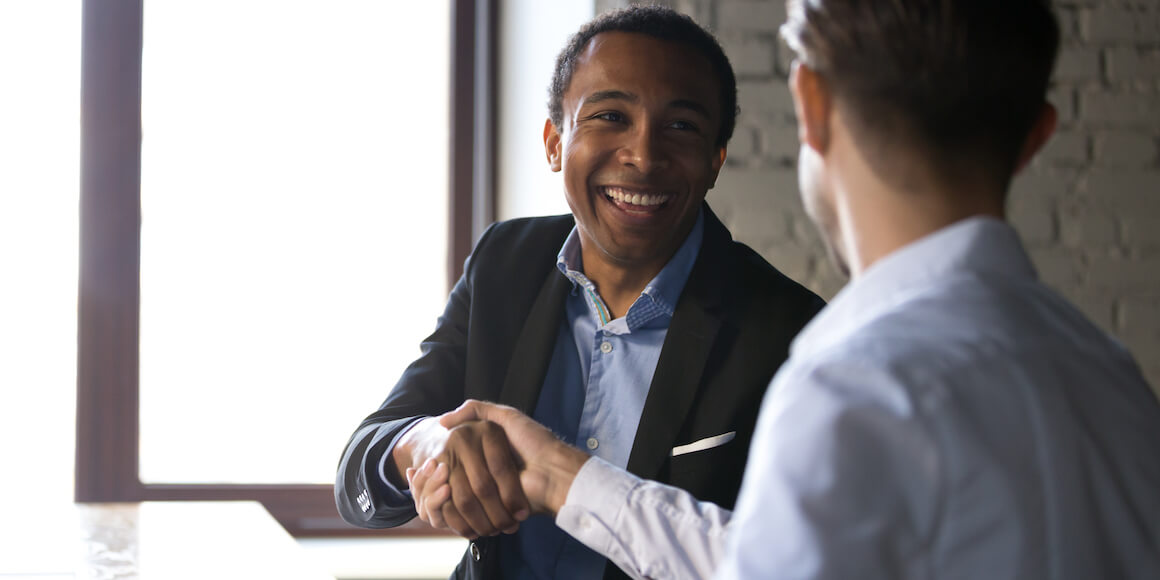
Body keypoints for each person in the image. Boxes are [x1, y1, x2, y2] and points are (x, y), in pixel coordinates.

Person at [411, 0, 1160, 578]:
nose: (642, 154)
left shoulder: (848, 379)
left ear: (810, 104)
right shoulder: (1115, 382)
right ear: (1039, 133)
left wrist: (560, 478)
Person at [333, 5, 825, 579]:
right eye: (611, 116)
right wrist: (422, 447)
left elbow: (794, 561)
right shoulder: (505, 264)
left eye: (682, 126)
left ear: (716, 161)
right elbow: (359, 469)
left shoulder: (791, 332)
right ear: (553, 143)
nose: (643, 156)